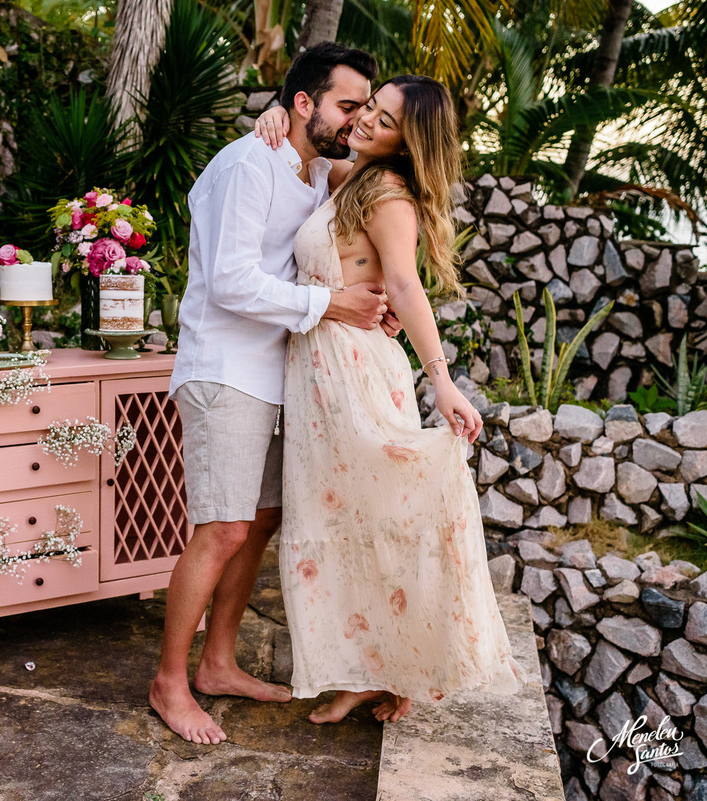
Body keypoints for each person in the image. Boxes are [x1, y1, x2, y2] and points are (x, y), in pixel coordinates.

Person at [252, 76, 526, 727]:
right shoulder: (354, 175)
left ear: (413, 138)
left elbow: (404, 283)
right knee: (340, 526)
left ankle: (393, 669)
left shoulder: (389, 194)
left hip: (354, 372)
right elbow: (308, 152)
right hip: (319, 373)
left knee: (378, 524)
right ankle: (364, 670)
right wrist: (272, 115)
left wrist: (443, 379)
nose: (368, 119)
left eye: (385, 117)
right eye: (369, 107)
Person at [150, 43, 393, 746]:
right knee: (221, 528)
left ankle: (218, 662)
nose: (357, 119)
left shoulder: (313, 170)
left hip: (273, 375)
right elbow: (229, 281)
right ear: (304, 103)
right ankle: (169, 680)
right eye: (348, 106)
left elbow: (389, 181)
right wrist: (332, 303)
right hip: (224, 369)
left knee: (257, 521)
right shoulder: (247, 164)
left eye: (364, 108)